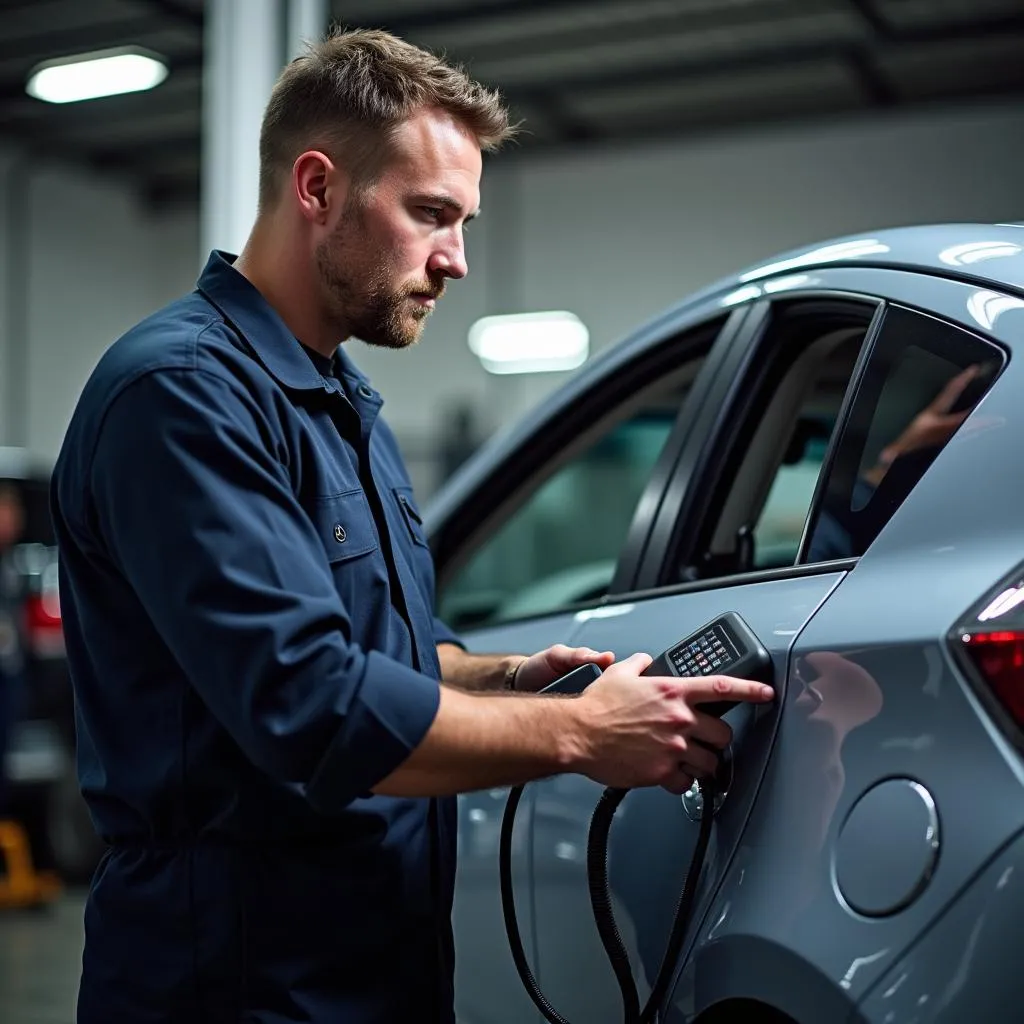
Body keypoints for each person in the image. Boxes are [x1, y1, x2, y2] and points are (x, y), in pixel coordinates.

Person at [50, 28, 775, 1024]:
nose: (459, 259)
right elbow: (309, 702)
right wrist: (574, 731)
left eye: (465, 221)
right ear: (318, 186)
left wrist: (503, 679)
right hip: (233, 981)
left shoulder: (344, 403)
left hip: (373, 966)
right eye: (432, 213)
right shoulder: (182, 396)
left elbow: (367, 650)